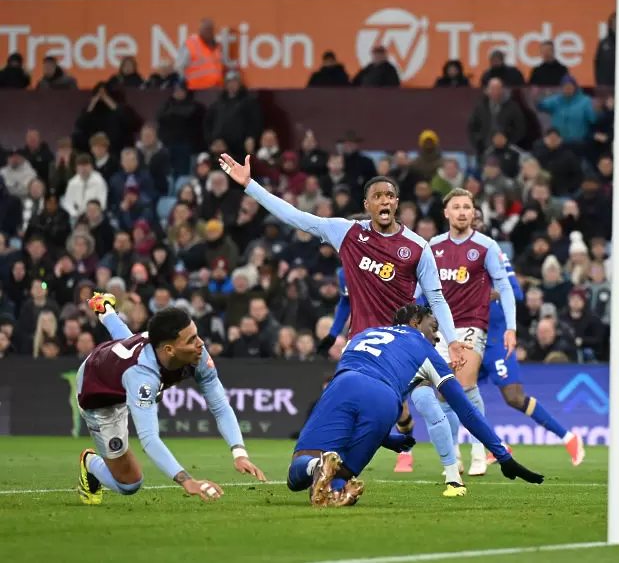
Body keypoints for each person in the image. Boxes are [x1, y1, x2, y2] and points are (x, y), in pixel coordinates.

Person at [217, 155, 467, 456]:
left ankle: (447, 465)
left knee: (411, 403)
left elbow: (436, 297)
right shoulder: (346, 232)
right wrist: (249, 186)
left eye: (389, 195)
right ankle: (338, 472)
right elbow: (295, 216)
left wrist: (453, 341)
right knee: (356, 406)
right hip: (360, 341)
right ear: (367, 205)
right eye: (377, 196)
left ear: (397, 202)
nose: (384, 201)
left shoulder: (416, 246)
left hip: (400, 343)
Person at [287, 304, 543, 505]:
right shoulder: (425, 349)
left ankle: (314, 466)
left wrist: (386, 439)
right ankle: (337, 489)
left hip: (342, 385)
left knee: (296, 472)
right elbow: (465, 410)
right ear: (414, 324)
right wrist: (502, 455)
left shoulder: (364, 334)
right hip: (385, 399)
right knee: (342, 474)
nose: (438, 338)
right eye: (434, 328)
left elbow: (359, 388)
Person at [75, 293, 267, 506]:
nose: (201, 344)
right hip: (97, 393)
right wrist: (187, 480)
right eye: (192, 339)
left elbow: (220, 406)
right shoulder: (142, 378)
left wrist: (239, 454)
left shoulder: (195, 354)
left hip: (124, 361)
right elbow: (149, 438)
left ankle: (105, 310)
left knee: (129, 342)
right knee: (129, 484)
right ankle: (90, 462)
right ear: (170, 350)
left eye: (197, 335)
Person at [407, 188, 519, 477]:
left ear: (473, 212)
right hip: (440, 328)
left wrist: (511, 327)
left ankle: (479, 452)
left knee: (466, 385)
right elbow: (419, 287)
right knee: (445, 394)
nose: (461, 211)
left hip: (472, 325)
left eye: (467, 207)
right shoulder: (433, 246)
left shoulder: (486, 246)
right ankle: (454, 453)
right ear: (446, 212)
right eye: (456, 206)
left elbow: (504, 286)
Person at [469, 210, 583, 466]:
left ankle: (568, 437)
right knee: (454, 394)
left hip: (495, 340)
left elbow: (517, 292)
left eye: (476, 220)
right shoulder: (451, 256)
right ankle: (493, 446)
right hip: (469, 337)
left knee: (514, 397)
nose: (470, 223)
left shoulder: (494, 253)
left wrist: (487, 294)